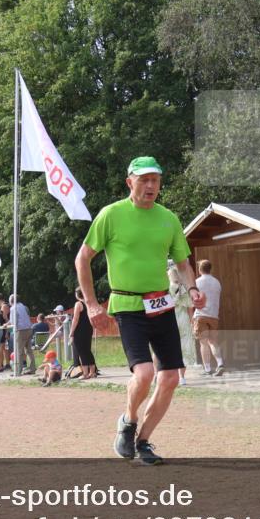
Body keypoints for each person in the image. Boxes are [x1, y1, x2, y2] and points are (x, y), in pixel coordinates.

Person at [76, 156, 206, 465]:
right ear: (129, 182)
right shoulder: (111, 215)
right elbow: (83, 259)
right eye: (144, 180)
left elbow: (184, 264)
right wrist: (93, 303)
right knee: (145, 372)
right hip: (127, 305)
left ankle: (144, 441)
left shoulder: (168, 219)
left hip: (161, 304)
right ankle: (128, 421)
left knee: (171, 378)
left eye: (155, 180)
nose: (150, 186)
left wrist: (192, 288)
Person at [193, 259, 225, 376]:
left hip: (201, 315)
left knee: (203, 343)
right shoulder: (217, 282)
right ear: (210, 268)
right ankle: (220, 363)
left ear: (200, 269)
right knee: (213, 341)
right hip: (214, 315)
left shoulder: (196, 282)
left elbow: (192, 298)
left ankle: (207, 369)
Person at [168, 261, 197, 386]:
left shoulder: (164, 289)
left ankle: (159, 374)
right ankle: (182, 377)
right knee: (184, 347)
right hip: (183, 318)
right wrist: (192, 321)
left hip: (169, 319)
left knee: (165, 347)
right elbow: (190, 307)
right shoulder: (183, 288)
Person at [68, 287, 96, 380]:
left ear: (77, 295)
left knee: (81, 351)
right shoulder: (88, 303)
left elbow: (75, 319)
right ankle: (92, 372)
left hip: (80, 330)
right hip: (88, 329)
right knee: (88, 350)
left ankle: (85, 373)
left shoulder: (78, 304)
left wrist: (71, 332)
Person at [10, 294, 36, 375]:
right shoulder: (24, 307)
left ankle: (18, 371)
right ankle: (32, 368)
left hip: (20, 331)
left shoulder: (13, 308)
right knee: (29, 350)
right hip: (29, 329)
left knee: (19, 351)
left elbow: (13, 322)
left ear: (11, 301)